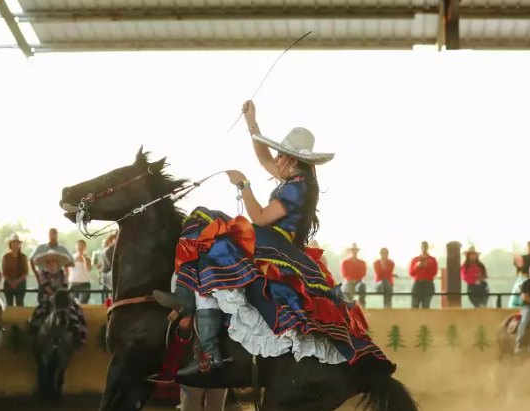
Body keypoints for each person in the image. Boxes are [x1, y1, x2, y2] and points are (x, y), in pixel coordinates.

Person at [152, 100, 391, 378]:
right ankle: (188, 302)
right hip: (271, 239)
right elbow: (264, 158)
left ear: (292, 161)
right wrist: (252, 123)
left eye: (281, 156)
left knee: (206, 221)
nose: (275, 160)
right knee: (209, 231)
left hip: (271, 240)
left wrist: (244, 185)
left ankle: (198, 324)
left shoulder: (296, 188)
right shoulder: (295, 180)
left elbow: (261, 217)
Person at [28, 250, 87, 346]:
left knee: (78, 313)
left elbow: (65, 286)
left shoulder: (62, 274)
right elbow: (47, 288)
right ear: (46, 264)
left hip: (62, 299)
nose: (51, 264)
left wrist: (62, 294)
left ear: (57, 264)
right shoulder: (43, 274)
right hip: (48, 299)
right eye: (48, 262)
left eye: (53, 262)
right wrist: (57, 294)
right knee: (37, 315)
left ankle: (79, 338)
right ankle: (34, 339)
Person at [29, 228, 73, 301]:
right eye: (51, 234)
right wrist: (37, 275)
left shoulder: (62, 274)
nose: (53, 236)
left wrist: (65, 267)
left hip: (59, 288)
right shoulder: (41, 247)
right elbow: (31, 259)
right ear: (48, 235)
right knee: (42, 302)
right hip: (44, 282)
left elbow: (71, 262)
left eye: (55, 234)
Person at [510, 241, 530, 308]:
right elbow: (518, 272)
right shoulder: (522, 258)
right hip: (523, 278)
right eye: (528, 246)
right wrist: (516, 265)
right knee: (519, 287)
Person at [2, 234, 29, 307]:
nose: (15, 245)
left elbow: (26, 272)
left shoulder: (23, 257)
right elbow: (4, 272)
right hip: (8, 283)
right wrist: (11, 282)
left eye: (17, 243)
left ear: (19, 244)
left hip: (20, 284)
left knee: (20, 304)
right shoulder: (6, 257)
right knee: (9, 304)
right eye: (14, 243)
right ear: (10, 244)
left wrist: (17, 282)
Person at [409, 241, 439, 309]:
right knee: (415, 305)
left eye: (425, 246)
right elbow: (411, 273)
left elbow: (434, 272)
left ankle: (425, 319)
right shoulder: (415, 260)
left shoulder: (432, 260)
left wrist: (427, 266)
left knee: (426, 306)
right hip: (417, 283)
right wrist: (417, 266)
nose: (424, 248)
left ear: (427, 247)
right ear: (420, 247)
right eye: (422, 246)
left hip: (428, 284)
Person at [69, 240, 93, 304]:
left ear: (85, 247)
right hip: (74, 283)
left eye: (82, 245)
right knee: (71, 304)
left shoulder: (88, 259)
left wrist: (84, 258)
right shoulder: (71, 258)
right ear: (76, 247)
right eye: (79, 245)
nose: (80, 247)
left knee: (83, 304)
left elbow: (88, 269)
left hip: (85, 284)